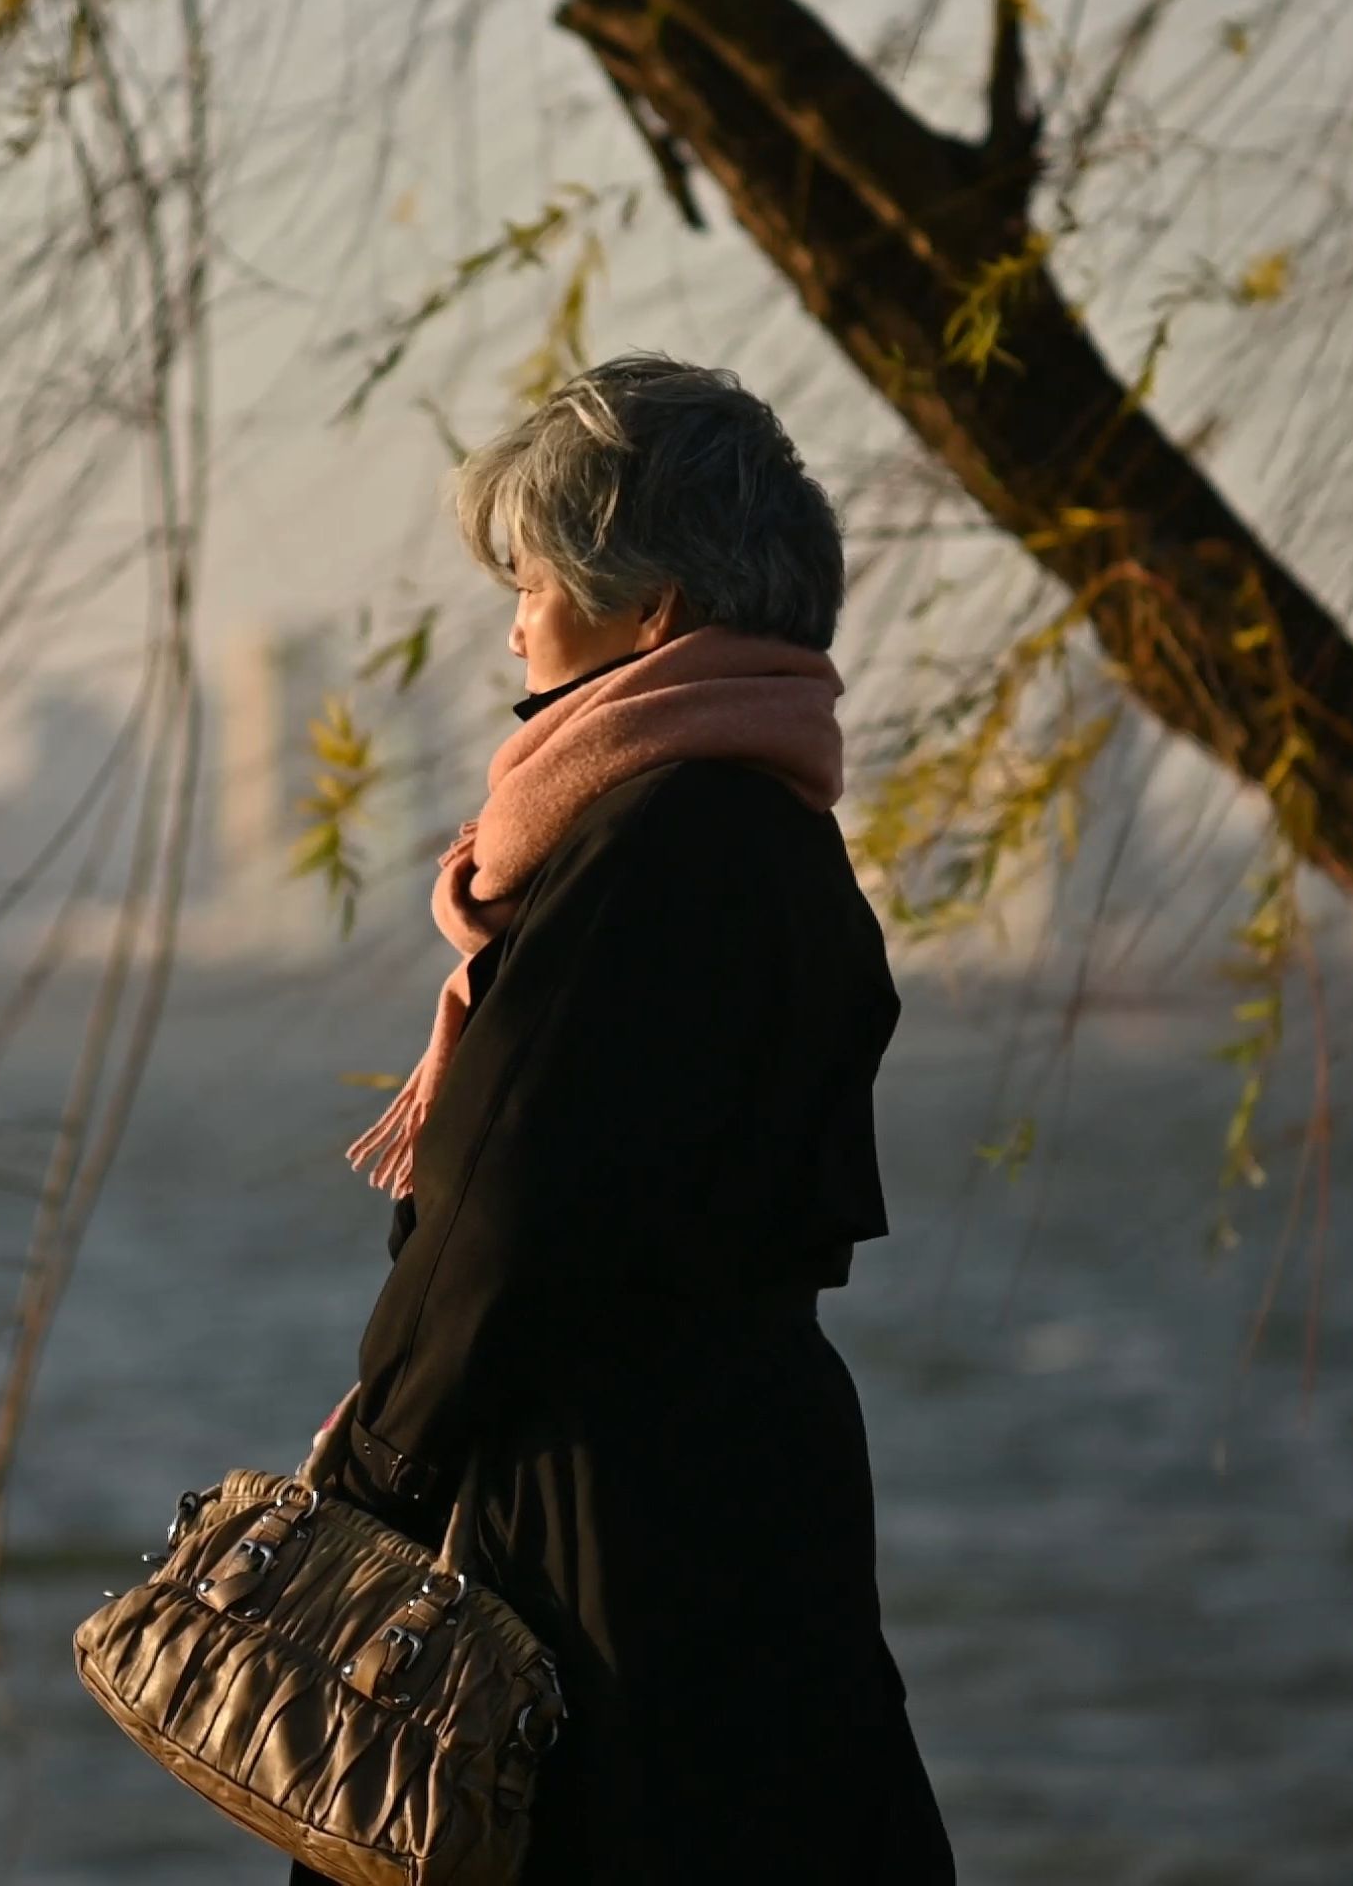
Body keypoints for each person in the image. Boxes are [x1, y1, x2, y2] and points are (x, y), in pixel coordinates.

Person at [294, 354, 952, 1882]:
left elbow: (506, 1207)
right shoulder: (774, 833)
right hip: (746, 1490)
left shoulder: (662, 842)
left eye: (532, 574)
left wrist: (370, 1479)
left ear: (649, 605)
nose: (514, 616)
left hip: (608, 1525)